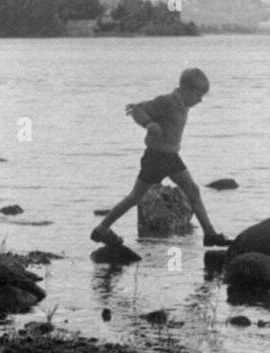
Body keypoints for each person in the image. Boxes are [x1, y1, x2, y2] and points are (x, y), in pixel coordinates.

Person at [90, 67, 231, 247]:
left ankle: (210, 234)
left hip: (170, 156)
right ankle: (102, 229)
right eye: (198, 95)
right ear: (186, 89)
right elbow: (138, 109)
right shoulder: (168, 101)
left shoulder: (183, 104)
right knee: (135, 197)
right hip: (156, 157)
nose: (200, 100)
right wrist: (148, 123)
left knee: (192, 191)